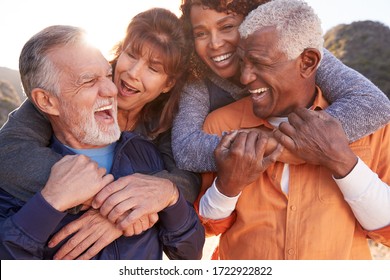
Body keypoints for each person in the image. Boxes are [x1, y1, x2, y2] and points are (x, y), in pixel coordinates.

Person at [0, 9, 202, 259]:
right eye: (131, 54)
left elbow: (187, 179)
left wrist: (156, 195)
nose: (133, 73)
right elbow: (9, 152)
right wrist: (112, 204)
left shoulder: (164, 125)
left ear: (168, 84)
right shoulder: (63, 98)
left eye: (153, 68)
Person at [196, 0, 390, 260]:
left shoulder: (372, 127)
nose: (244, 77)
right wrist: (228, 186)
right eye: (244, 62)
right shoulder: (219, 125)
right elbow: (203, 228)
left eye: (260, 63)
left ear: (308, 62)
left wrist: (342, 162)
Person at [172, 0, 390, 173]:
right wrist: (270, 144)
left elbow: (372, 103)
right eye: (200, 33)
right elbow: (185, 149)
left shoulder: (297, 53)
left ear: (252, 21)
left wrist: (298, 141)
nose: (215, 43)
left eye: (228, 27)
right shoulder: (197, 81)